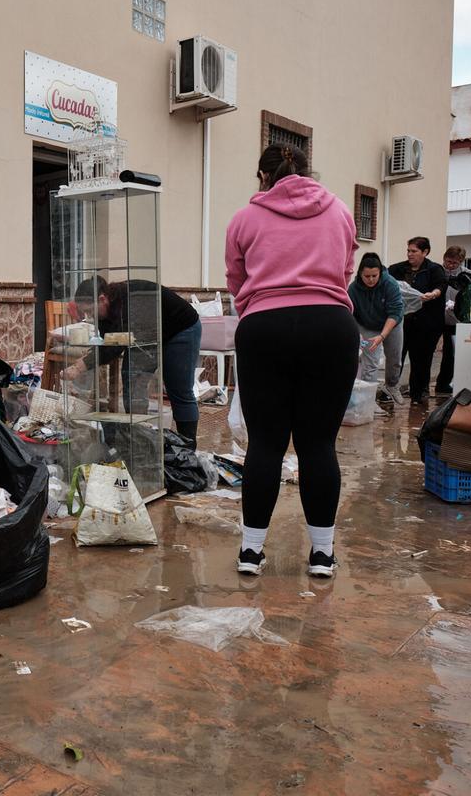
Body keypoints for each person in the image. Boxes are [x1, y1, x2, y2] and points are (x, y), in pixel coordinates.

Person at [224, 143, 358, 579]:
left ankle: (250, 552)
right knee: (318, 443)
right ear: (307, 171)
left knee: (265, 443)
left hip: (264, 329)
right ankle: (321, 555)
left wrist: (266, 303)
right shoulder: (340, 211)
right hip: (330, 327)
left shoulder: (245, 218)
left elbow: (236, 279)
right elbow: (345, 272)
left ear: (264, 177)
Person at [61, 278, 203, 445]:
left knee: (178, 390)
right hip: (148, 335)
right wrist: (86, 358)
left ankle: (188, 447)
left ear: (102, 299)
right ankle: (140, 439)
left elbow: (115, 346)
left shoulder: (129, 303)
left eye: (90, 311)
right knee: (131, 377)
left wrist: (79, 367)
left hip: (180, 329)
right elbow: (107, 342)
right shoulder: (105, 311)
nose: (90, 316)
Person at [388, 237, 447, 406]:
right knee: (396, 357)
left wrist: (433, 294)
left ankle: (419, 393)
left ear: (425, 252)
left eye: (414, 251)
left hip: (426, 324)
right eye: (408, 250)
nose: (409, 254)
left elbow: (441, 286)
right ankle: (390, 390)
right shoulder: (397, 269)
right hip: (401, 323)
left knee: (421, 359)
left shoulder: (434, 270)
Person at [347, 253, 404, 398]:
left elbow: (395, 312)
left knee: (394, 358)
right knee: (370, 363)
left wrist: (382, 336)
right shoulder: (353, 289)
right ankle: (368, 398)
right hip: (367, 325)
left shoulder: (390, 284)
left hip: (391, 323)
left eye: (374, 275)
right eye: (367, 276)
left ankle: (392, 386)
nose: (371, 279)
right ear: (360, 274)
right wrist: (357, 333)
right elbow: (349, 312)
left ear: (380, 273)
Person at [437, 245, 471, 396]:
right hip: (436, 317)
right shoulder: (437, 271)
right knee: (425, 353)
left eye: (455, 263)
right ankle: (421, 386)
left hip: (455, 320)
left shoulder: (466, 274)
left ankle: (443, 384)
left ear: (461, 261)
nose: (451, 265)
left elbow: (470, 296)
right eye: (448, 261)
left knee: (450, 354)